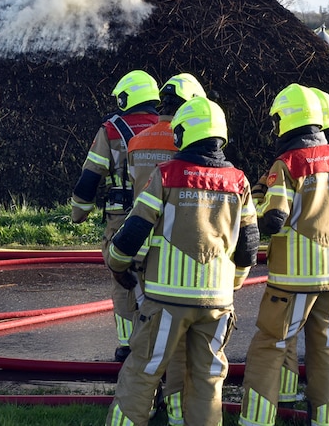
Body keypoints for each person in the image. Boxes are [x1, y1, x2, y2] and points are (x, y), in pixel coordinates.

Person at [105, 96, 259, 426]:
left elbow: (133, 232)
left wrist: (117, 266)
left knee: (142, 372)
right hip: (217, 304)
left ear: (184, 134)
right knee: (206, 383)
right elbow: (248, 247)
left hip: (166, 301)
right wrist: (232, 283)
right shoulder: (239, 182)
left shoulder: (167, 175)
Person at [239, 84, 329, 426]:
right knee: (327, 352)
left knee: (269, 348)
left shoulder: (287, 163)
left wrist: (257, 201)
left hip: (291, 283)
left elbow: (274, 219)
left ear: (288, 119)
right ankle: (325, 422)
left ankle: (256, 421)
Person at [122, 72, 206, 419]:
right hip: (176, 252)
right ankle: (172, 409)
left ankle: (148, 404)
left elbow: (131, 191)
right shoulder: (185, 142)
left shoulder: (137, 142)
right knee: (178, 345)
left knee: (148, 338)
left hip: (139, 242)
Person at [71, 69, 160, 362]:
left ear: (126, 97)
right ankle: (157, 341)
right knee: (157, 274)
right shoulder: (169, 128)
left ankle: (126, 345)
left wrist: (79, 212)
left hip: (121, 217)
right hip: (160, 216)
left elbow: (91, 174)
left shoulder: (111, 130)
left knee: (122, 277)